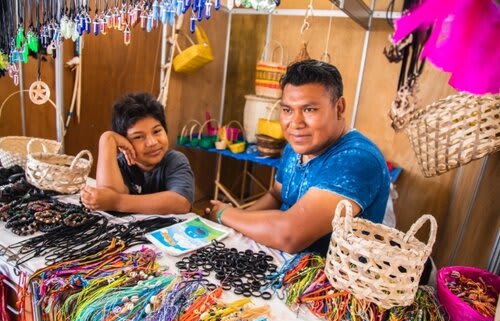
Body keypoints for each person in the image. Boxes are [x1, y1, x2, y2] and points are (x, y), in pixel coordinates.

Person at [206, 60, 390, 256]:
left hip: (323, 281)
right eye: (287, 110)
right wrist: (233, 221)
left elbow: (289, 235)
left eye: (309, 109)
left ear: (339, 108)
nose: (295, 123)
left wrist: (225, 214)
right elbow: (276, 196)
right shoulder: (297, 147)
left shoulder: (356, 159)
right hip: (279, 261)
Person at [81, 92, 194, 215]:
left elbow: (181, 203)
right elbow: (107, 201)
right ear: (124, 142)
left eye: (156, 131)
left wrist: (117, 202)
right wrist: (107, 139)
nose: (151, 142)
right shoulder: (121, 164)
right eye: (138, 137)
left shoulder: (175, 160)